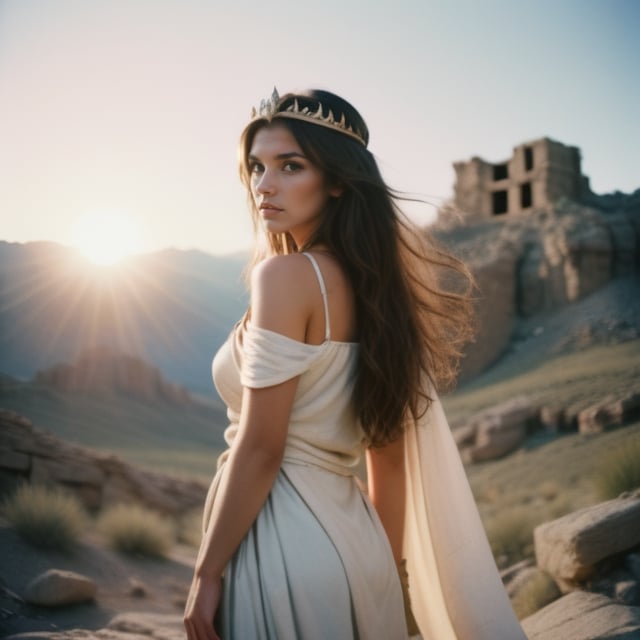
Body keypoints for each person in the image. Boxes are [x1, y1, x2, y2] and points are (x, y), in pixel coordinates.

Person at [184, 88, 526, 640]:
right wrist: (383, 576)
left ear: (338, 181)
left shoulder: (285, 278)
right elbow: (387, 461)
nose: (264, 185)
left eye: (290, 166)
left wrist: (207, 571)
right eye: (256, 167)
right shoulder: (380, 296)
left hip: (282, 549)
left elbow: (261, 446)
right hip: (356, 547)